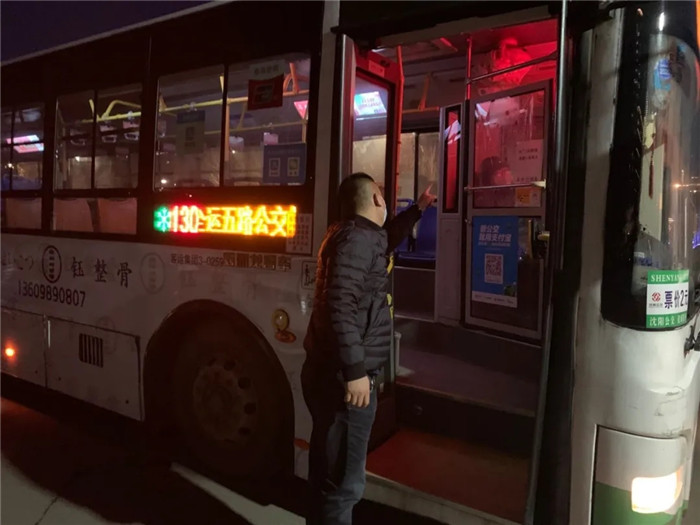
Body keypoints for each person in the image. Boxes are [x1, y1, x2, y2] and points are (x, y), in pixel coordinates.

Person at [301, 172, 436, 525]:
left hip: (333, 374)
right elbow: (339, 306)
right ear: (376, 199)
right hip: (345, 383)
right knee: (342, 487)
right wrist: (355, 371)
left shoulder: (358, 236)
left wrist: (418, 209)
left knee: (330, 476)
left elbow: (387, 239)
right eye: (382, 194)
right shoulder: (357, 241)